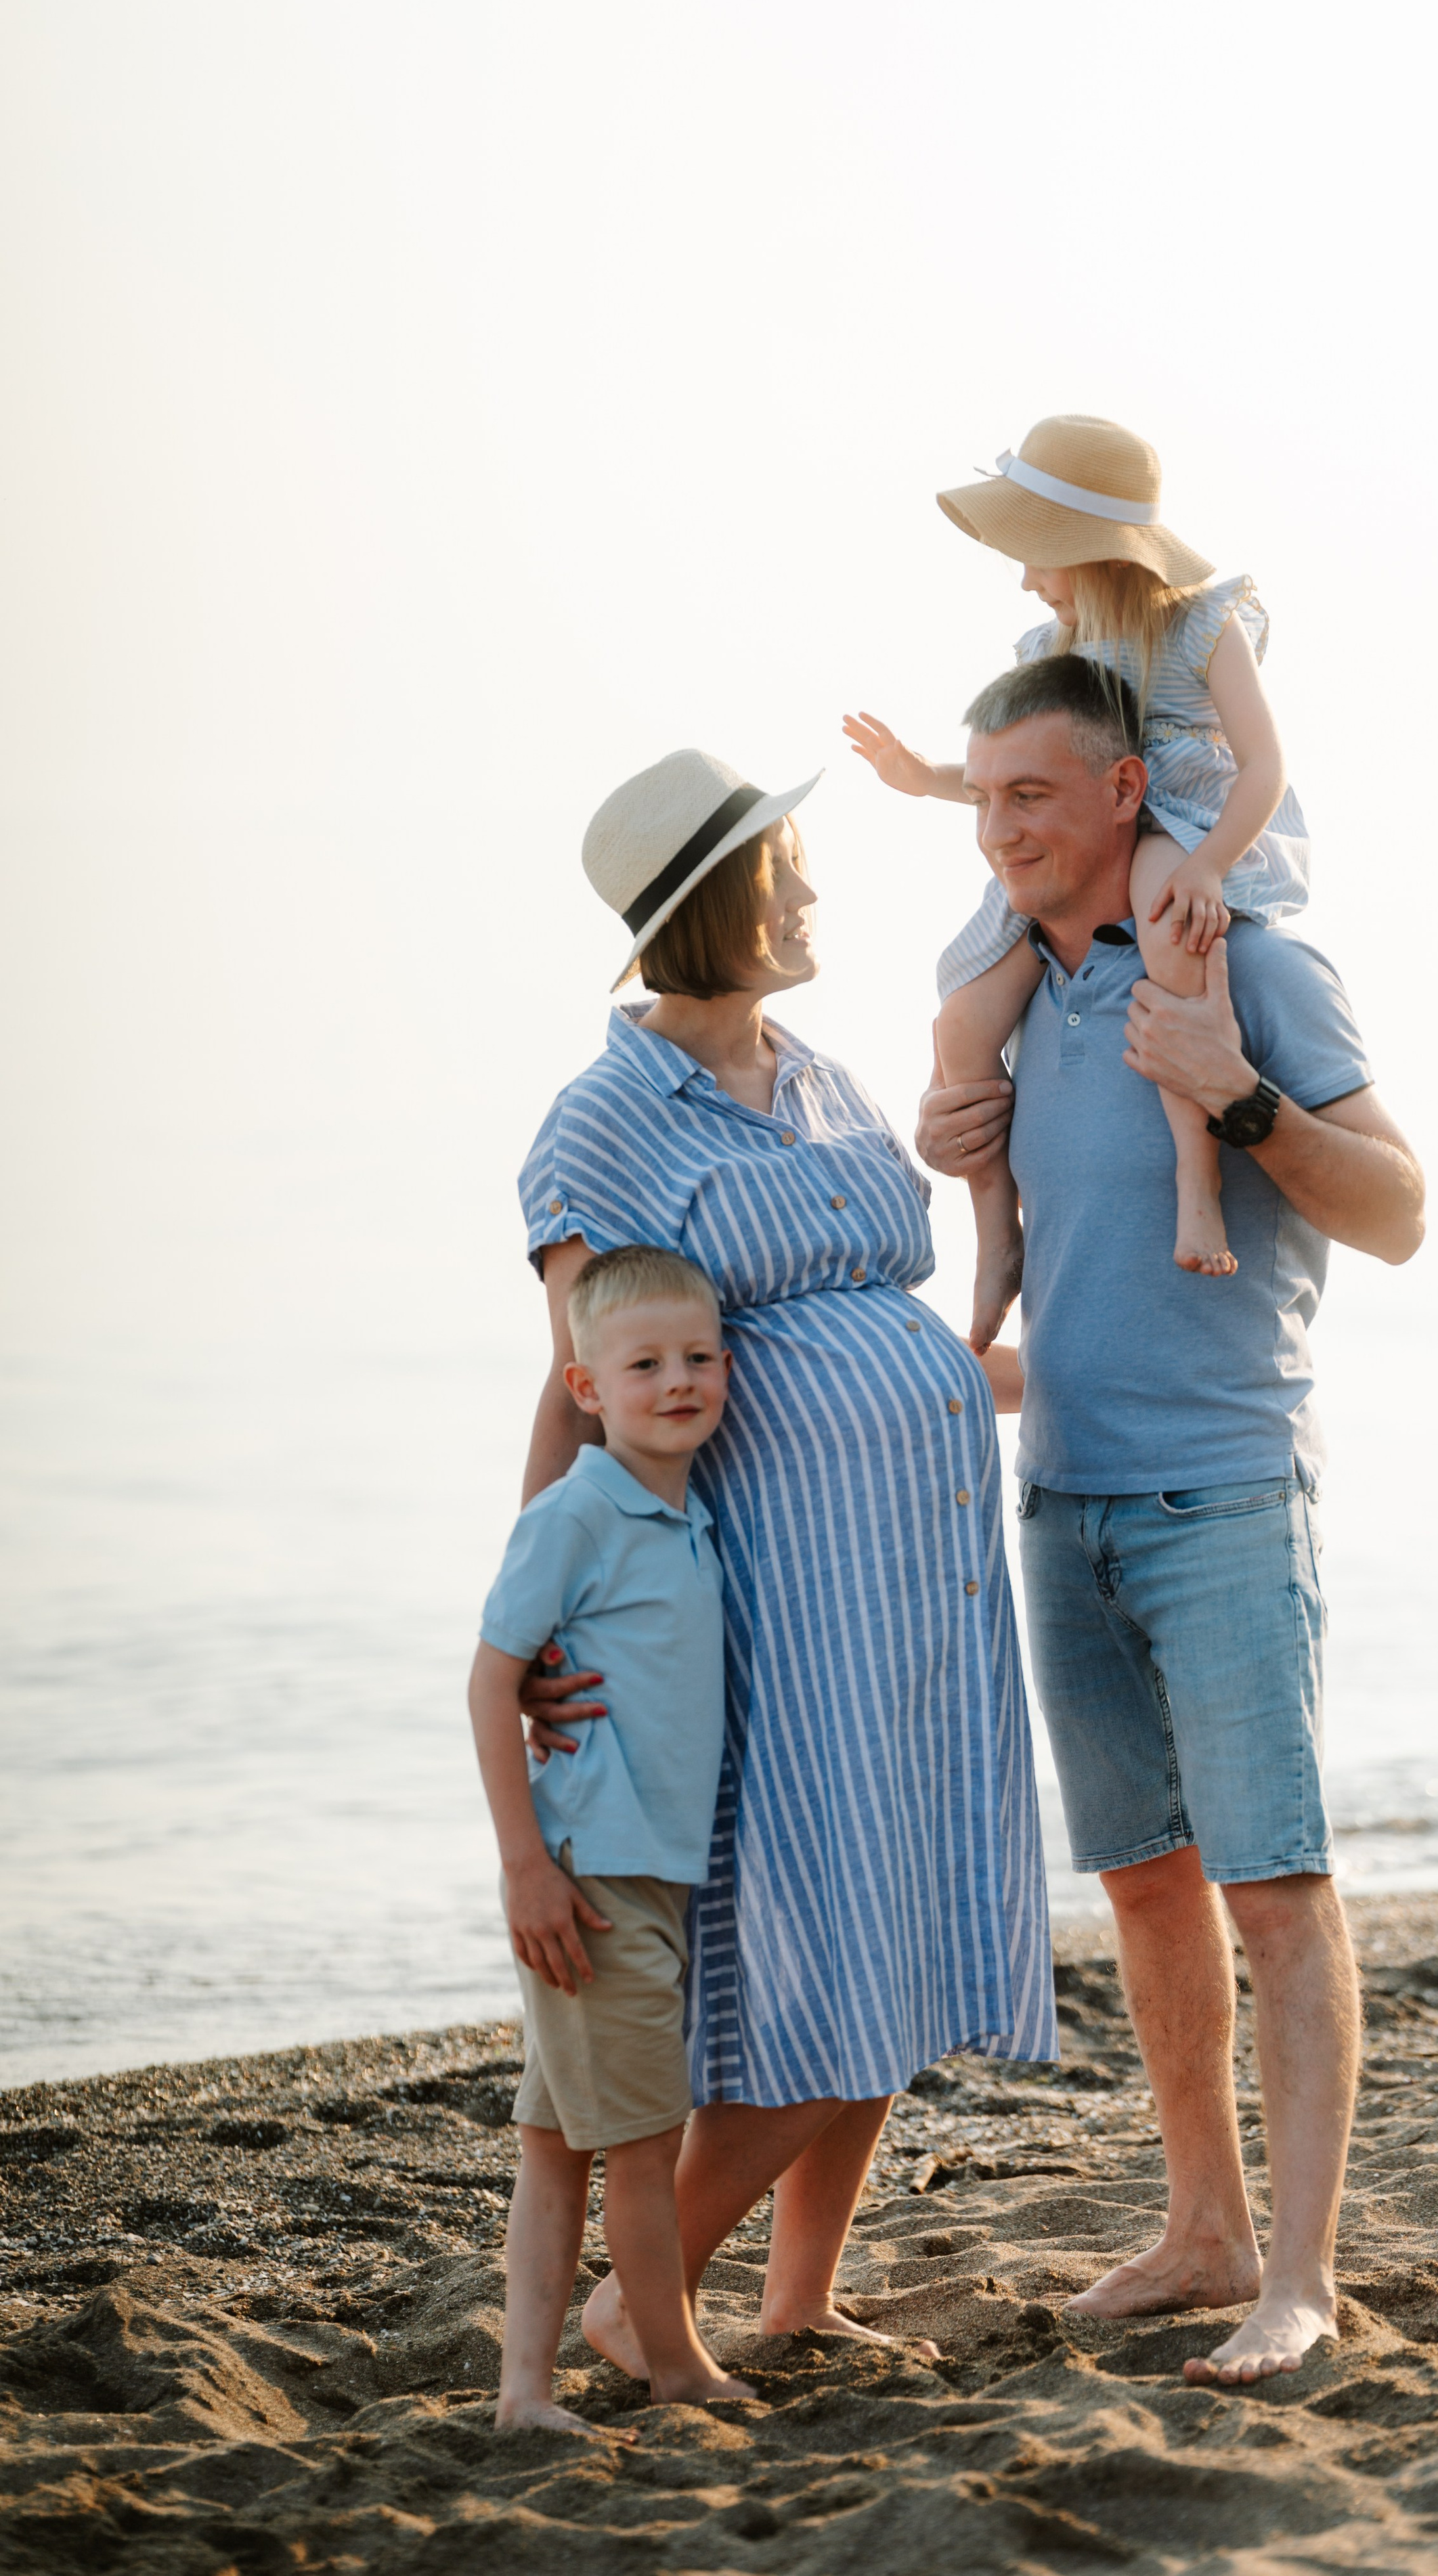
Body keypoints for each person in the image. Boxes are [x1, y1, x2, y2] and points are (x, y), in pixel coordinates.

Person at [513, 747, 1055, 2384]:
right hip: (779, 1600)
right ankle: (636, 2301)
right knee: (828, 1943)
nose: (814, 897)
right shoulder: (603, 1121)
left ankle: (799, 2293)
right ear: (712, 907)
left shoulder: (812, 1070)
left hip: (931, 1587)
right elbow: (575, 1373)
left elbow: (873, 1316)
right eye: (787, 873)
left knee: (904, 1920)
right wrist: (536, 1618)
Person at [915, 653, 1426, 2386]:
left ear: (1122, 795)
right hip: (1059, 1502)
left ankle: (1298, 2275)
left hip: (1222, 1497)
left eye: (1029, 796)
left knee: (1274, 1889)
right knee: (1146, 1888)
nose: (996, 829)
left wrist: (1237, 1091)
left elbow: (1402, 1212)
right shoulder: (1006, 996)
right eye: (982, 797)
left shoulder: (1249, 962)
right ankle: (1200, 2220)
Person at [846, 411, 1309, 1346]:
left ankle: (1195, 1176)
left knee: (1167, 920)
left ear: (1088, 550)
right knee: (961, 1017)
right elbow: (1012, 775)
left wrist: (1213, 863)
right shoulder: (1044, 654)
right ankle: (996, 1237)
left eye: (1036, 555)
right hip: (1080, 839)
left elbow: (1265, 765)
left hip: (1174, 823)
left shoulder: (1204, 627)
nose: (1025, 578)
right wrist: (919, 777)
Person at [468, 1243, 751, 2428]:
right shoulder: (579, 1509)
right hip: (590, 1880)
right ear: (587, 1388)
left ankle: (523, 2391)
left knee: (555, 2145)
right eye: (644, 1364)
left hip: (649, 1874)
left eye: (697, 1357)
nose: (677, 1380)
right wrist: (526, 1865)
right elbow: (491, 1682)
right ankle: (677, 2363)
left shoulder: (687, 1514)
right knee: (643, 2142)